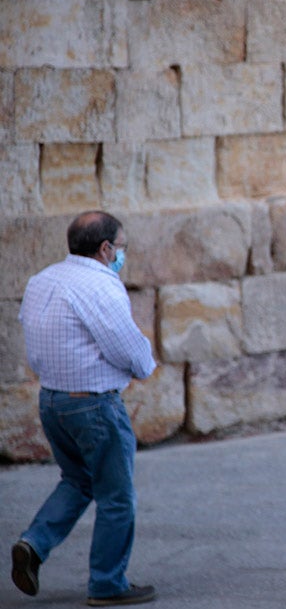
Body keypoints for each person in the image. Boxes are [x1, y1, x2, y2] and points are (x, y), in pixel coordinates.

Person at [12, 211, 157, 607]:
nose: (122, 254)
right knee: (117, 496)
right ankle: (108, 584)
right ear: (106, 248)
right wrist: (146, 366)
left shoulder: (42, 280)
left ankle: (34, 543)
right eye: (121, 246)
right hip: (94, 405)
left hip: (53, 401)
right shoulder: (101, 286)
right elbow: (127, 347)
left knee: (78, 480)